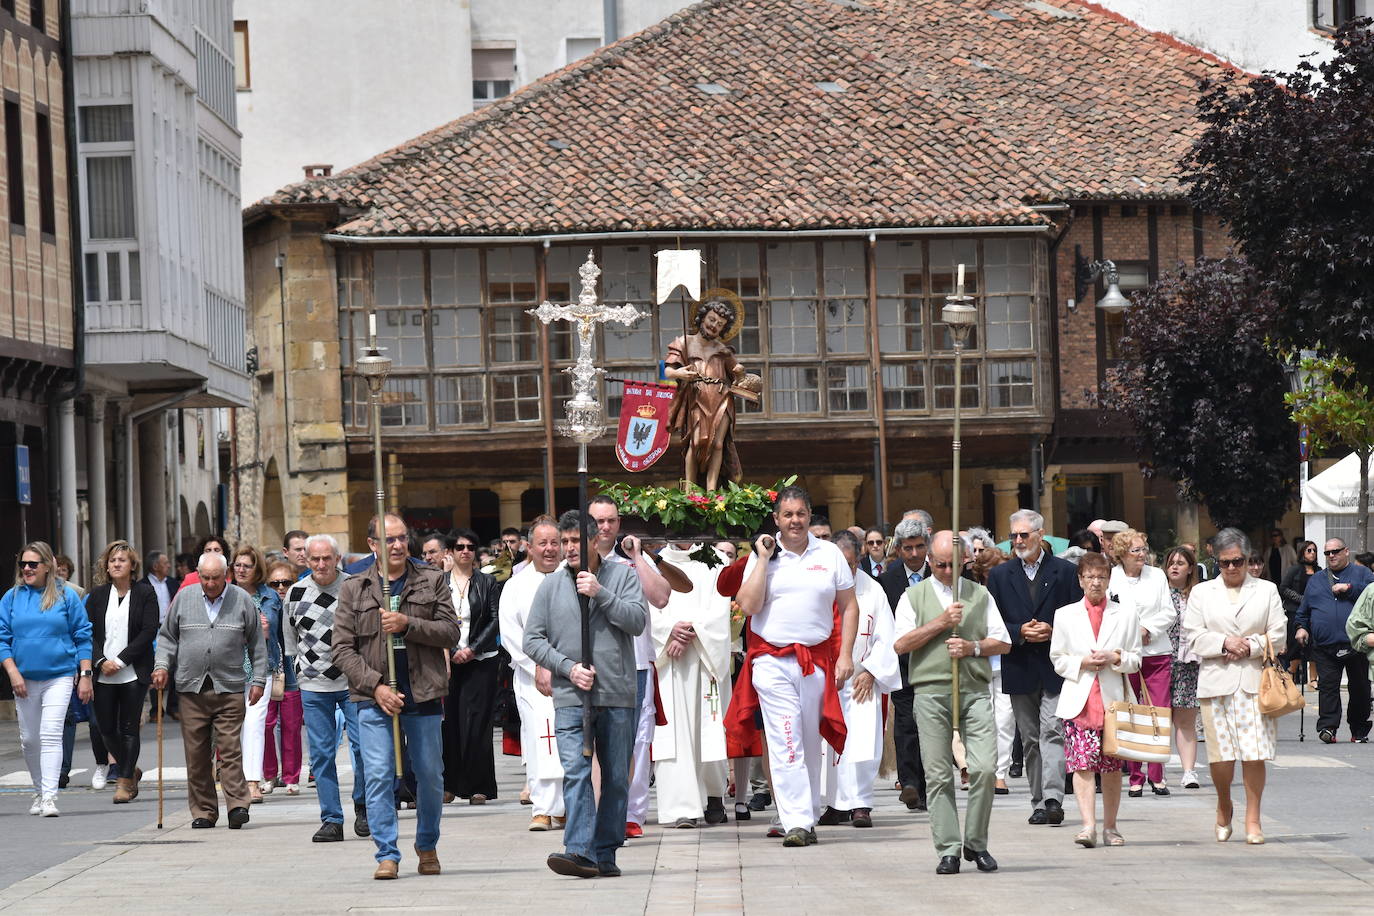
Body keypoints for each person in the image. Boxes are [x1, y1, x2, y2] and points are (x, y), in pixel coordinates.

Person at [726, 485, 858, 848]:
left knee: (809, 741)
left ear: (809, 515)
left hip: (815, 661)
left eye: (800, 513)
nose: (795, 521)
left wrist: (845, 654)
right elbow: (748, 606)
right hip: (771, 661)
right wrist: (764, 559)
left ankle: (807, 815)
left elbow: (849, 607)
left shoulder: (829, 554)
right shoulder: (763, 556)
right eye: (788, 515)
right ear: (776, 519)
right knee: (786, 739)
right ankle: (796, 820)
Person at [333, 513, 459, 879]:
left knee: (431, 775)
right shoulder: (354, 586)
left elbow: (451, 632)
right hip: (374, 698)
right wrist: (374, 686)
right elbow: (341, 648)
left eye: (402, 537)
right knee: (377, 775)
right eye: (388, 540)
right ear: (372, 544)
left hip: (423, 694)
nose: (398, 545)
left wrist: (409, 625)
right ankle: (386, 852)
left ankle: (427, 844)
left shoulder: (431, 579)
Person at [525, 512, 648, 878]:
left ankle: (605, 851)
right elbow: (532, 639)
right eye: (564, 542)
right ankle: (577, 849)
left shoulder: (623, 575)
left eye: (576, 541)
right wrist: (566, 666)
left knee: (614, 777)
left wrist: (600, 593)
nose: (568, 548)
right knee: (576, 772)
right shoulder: (550, 586)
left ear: (595, 540)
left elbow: (637, 621)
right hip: (570, 695)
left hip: (615, 691)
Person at [894, 531, 1010, 873]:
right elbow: (901, 644)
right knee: (939, 773)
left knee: (985, 768)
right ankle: (948, 847)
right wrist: (941, 623)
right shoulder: (912, 596)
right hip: (930, 690)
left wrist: (973, 647)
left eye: (954, 564)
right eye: (941, 564)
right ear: (929, 561)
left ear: (965, 563)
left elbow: (1002, 642)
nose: (947, 571)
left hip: (973, 690)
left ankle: (976, 842)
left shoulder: (980, 594)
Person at [1183, 527, 1286, 844]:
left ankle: (1253, 819)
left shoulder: (1266, 590)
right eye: (1225, 563)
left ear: (1248, 560)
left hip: (1256, 681)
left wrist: (1250, 646)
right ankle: (1224, 802)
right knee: (1221, 756)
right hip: (1217, 681)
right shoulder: (1202, 593)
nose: (1231, 568)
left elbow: (1278, 633)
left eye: (1238, 562)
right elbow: (1193, 636)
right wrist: (1225, 642)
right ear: (1216, 561)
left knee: (1255, 753)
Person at [153, 551, 267, 829]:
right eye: (205, 578)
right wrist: (161, 666)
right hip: (191, 688)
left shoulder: (241, 600)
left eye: (216, 578)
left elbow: (256, 644)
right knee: (197, 754)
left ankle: (238, 805)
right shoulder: (185, 597)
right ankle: (204, 810)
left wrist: (259, 680)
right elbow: (168, 636)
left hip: (229, 686)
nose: (211, 583)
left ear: (225, 575)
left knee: (229, 750)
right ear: (198, 575)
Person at [985, 508, 1083, 827]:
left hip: (1055, 665)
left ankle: (1053, 798)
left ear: (1040, 535)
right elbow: (993, 621)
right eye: (1013, 535)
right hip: (1020, 663)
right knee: (1029, 737)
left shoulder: (1065, 572)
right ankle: (1038, 800)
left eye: (1023, 534)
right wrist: (1019, 633)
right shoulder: (1000, 575)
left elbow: (1076, 616)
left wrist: (1053, 629)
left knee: (1052, 730)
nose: (1017, 540)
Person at [586, 495, 669, 838]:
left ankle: (628, 812)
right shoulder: (580, 560)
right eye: (599, 521)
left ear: (619, 523)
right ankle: (596, 810)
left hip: (634, 662)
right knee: (592, 742)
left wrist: (637, 555)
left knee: (633, 740)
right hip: (592, 663)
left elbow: (662, 596)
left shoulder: (633, 558)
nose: (605, 528)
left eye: (611, 521)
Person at [1050, 551, 1141, 848]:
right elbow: (1057, 659)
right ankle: (1088, 826)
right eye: (1089, 577)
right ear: (1080, 580)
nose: (1095, 583)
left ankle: (1111, 827)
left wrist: (1116, 657)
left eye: (1101, 577)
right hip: (1080, 700)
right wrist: (1081, 663)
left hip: (1113, 700)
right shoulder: (1065, 615)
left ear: (1109, 579)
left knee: (1112, 768)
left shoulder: (1125, 614)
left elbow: (1136, 660)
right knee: (1082, 765)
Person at [284, 534, 369, 843]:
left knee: (363, 749)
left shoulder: (356, 588)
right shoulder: (294, 593)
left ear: (337, 558)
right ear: (306, 560)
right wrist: (300, 674)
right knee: (321, 754)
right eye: (315, 559)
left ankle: (364, 807)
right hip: (313, 684)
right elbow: (291, 641)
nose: (321, 564)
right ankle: (332, 818)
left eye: (327, 558)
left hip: (353, 682)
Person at [1, 542, 93, 817]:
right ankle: (39, 790)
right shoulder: (12, 597)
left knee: (51, 733)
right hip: (24, 678)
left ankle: (50, 797)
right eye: (23, 564)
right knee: (30, 739)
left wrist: (85, 675)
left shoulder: (66, 595)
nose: (27, 569)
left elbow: (83, 635)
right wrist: (13, 672)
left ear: (47, 566)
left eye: (33, 564)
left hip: (60, 675)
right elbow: (2, 638)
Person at [818, 531, 900, 828]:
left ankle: (861, 803)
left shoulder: (873, 591)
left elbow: (886, 637)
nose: (845, 571)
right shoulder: (821, 586)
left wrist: (871, 671)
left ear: (858, 560)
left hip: (860, 680)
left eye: (851, 564)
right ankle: (835, 803)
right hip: (826, 679)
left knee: (862, 742)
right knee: (828, 745)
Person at [651, 540, 735, 828]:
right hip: (669, 659)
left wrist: (690, 632)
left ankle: (714, 796)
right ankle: (680, 807)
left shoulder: (718, 560)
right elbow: (648, 607)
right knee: (673, 732)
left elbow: (721, 608)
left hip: (704, 656)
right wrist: (668, 632)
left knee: (709, 728)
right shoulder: (655, 561)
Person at [499, 515, 567, 830]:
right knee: (540, 741)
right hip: (532, 678)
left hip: (571, 677)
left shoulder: (574, 578)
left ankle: (567, 806)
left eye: (556, 542)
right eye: (543, 543)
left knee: (570, 741)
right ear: (530, 546)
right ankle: (541, 807)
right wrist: (538, 665)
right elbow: (512, 634)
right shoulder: (516, 585)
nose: (550, 549)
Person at [86, 540, 159, 804]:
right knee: (105, 728)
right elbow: (88, 633)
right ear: (106, 566)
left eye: (122, 560)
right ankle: (132, 769)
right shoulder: (96, 596)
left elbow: (148, 630)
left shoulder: (145, 593)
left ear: (132, 565)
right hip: (103, 672)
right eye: (112, 560)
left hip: (132, 672)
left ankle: (124, 780)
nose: (117, 564)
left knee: (129, 728)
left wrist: (122, 660)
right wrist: (101, 660)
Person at [663, 293, 759, 491]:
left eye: (720, 324)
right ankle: (689, 490)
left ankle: (712, 489)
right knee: (696, 442)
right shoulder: (684, 342)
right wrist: (679, 373)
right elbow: (667, 370)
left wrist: (740, 372)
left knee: (717, 444)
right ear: (702, 318)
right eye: (712, 319)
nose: (714, 325)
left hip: (722, 398)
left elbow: (738, 377)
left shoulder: (723, 350)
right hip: (697, 397)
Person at [1107, 528, 1173, 797]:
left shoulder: (1156, 576)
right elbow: (1109, 612)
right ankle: (1135, 775)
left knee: (1159, 710)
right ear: (1122, 553)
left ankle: (1157, 775)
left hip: (1156, 652)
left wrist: (1147, 628)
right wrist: (1131, 633)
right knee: (1130, 712)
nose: (1142, 555)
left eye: (1144, 549)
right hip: (1125, 653)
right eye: (1136, 550)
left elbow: (1169, 611)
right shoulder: (1112, 578)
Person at [440, 528, 502, 805]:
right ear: (450, 552)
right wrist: (452, 651)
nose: (465, 551)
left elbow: (494, 618)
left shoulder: (487, 582)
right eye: (459, 547)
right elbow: (435, 618)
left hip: (481, 661)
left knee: (478, 723)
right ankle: (450, 784)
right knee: (450, 723)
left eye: (470, 547)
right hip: (447, 661)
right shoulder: (439, 583)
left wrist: (472, 648)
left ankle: (479, 786)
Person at [878, 515, 933, 812]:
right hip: (901, 664)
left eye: (919, 547)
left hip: (934, 663)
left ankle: (928, 786)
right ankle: (910, 782)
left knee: (930, 725)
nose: (914, 554)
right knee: (905, 723)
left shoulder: (938, 575)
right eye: (908, 548)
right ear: (899, 549)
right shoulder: (887, 581)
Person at [1295, 537, 1374, 743]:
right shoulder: (1316, 580)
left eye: (1336, 551)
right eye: (1327, 553)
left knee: (1360, 688)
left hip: (1356, 643)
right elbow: (1304, 611)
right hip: (1325, 645)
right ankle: (1328, 727)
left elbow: (1372, 599)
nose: (1331, 556)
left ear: (1346, 551)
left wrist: (1349, 589)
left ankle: (1359, 729)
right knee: (1328, 688)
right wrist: (1302, 628)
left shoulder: (1362, 574)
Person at [231, 544, 282, 804]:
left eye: (246, 566)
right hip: (229, 668)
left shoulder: (269, 597)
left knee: (255, 723)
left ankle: (252, 781)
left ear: (256, 569)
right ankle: (237, 780)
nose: (241, 570)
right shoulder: (225, 594)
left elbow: (273, 630)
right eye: (237, 565)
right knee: (234, 726)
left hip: (261, 666)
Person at [968, 545, 1014, 794]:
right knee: (982, 719)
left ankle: (1000, 773)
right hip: (980, 663)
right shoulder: (975, 595)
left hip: (1006, 663)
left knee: (1005, 720)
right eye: (992, 571)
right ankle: (980, 768)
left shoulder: (1009, 592)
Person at [262, 560, 304, 797]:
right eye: (275, 583)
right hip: (269, 669)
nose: (280, 587)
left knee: (291, 726)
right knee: (266, 725)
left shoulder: (299, 604)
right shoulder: (266, 604)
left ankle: (291, 777)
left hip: (292, 671)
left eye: (286, 582)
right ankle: (269, 775)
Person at [1163, 546, 1202, 789]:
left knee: (1186, 720)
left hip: (1189, 663)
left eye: (1181, 563)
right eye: (1171, 563)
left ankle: (1189, 771)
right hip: (1161, 660)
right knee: (1159, 719)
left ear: (1190, 569)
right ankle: (1159, 771)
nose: (1175, 567)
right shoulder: (1160, 594)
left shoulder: (1198, 595)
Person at [1279, 540, 1320, 670]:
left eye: (1314, 550)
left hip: (1313, 612)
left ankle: (1313, 679)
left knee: (1314, 644)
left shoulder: (1319, 571)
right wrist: (1301, 599)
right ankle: (1291, 673)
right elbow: (1283, 588)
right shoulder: (1294, 569)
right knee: (1295, 644)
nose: (1312, 553)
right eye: (1309, 550)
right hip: (1295, 612)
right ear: (1302, 552)